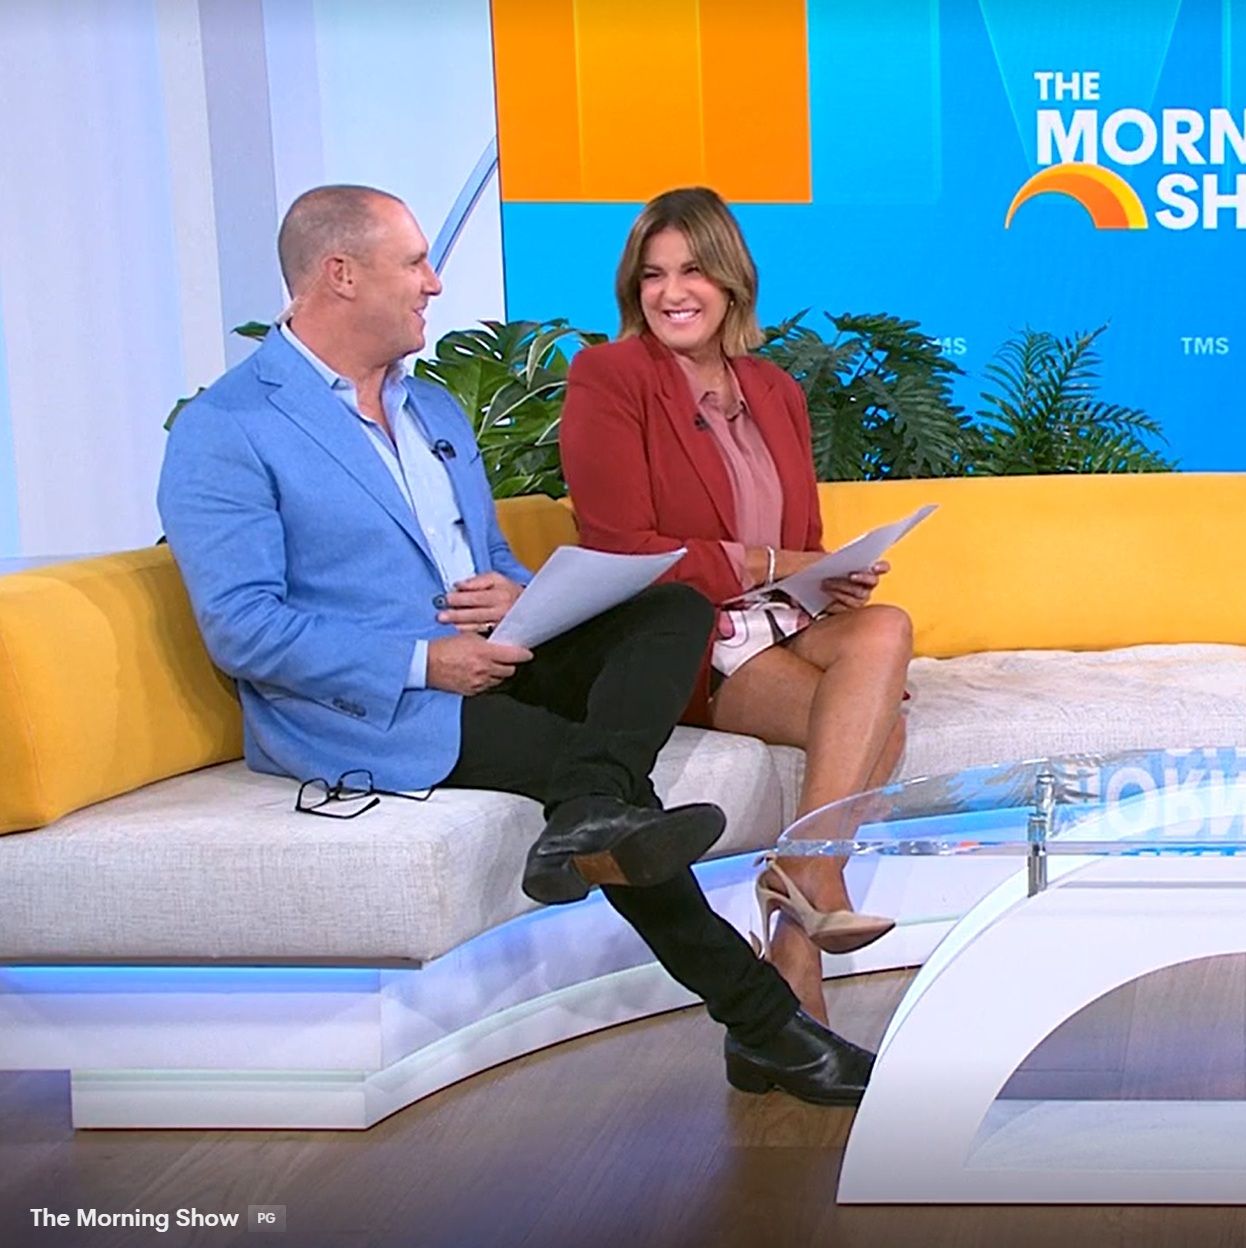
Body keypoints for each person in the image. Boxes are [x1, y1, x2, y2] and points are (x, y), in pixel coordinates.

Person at [157, 184, 871, 1104]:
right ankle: (767, 1024)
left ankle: (591, 811)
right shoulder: (229, 429)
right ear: (340, 274)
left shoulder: (431, 410)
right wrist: (425, 661)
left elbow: (489, 560)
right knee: (604, 787)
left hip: (496, 656)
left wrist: (523, 599)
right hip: (379, 704)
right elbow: (242, 627)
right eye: (415, 263)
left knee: (670, 611)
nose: (434, 282)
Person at [560, 187, 913, 1023]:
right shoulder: (611, 378)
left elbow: (801, 538)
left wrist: (828, 577)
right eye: (652, 275)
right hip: (684, 632)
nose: (671, 292)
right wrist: (771, 563)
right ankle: (805, 904)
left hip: (781, 617)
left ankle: (799, 893)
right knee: (883, 727)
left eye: (692, 271)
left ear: (731, 283)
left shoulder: (774, 390)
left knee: (885, 626)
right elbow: (621, 549)